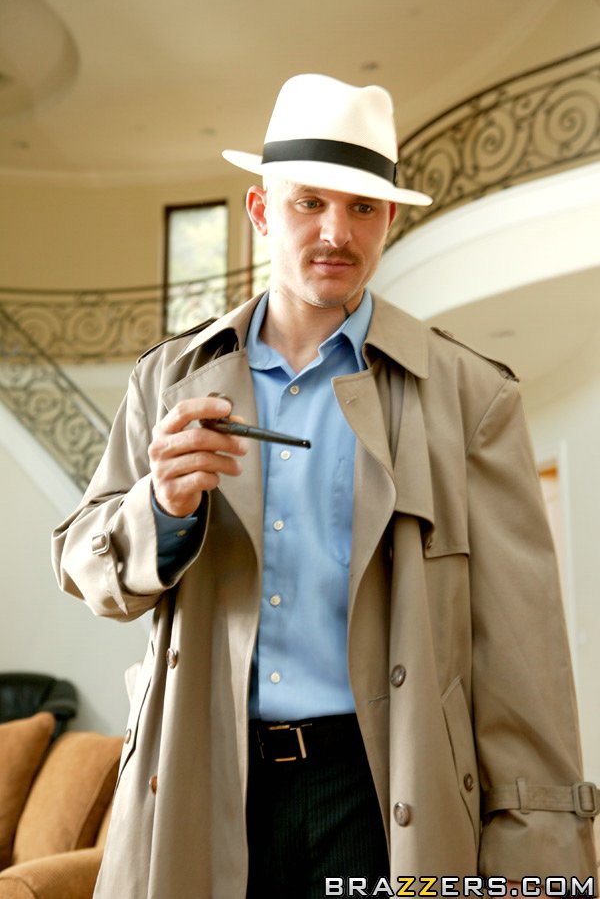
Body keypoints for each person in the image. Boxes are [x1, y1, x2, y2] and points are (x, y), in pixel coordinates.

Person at [52, 74, 597, 899]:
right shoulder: (167, 380)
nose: (336, 233)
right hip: (204, 781)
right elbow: (83, 567)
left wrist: (542, 868)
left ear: (389, 221)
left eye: (363, 208)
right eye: (309, 202)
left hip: (378, 798)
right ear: (261, 211)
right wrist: (159, 508)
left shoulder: (472, 398)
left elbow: (524, 666)